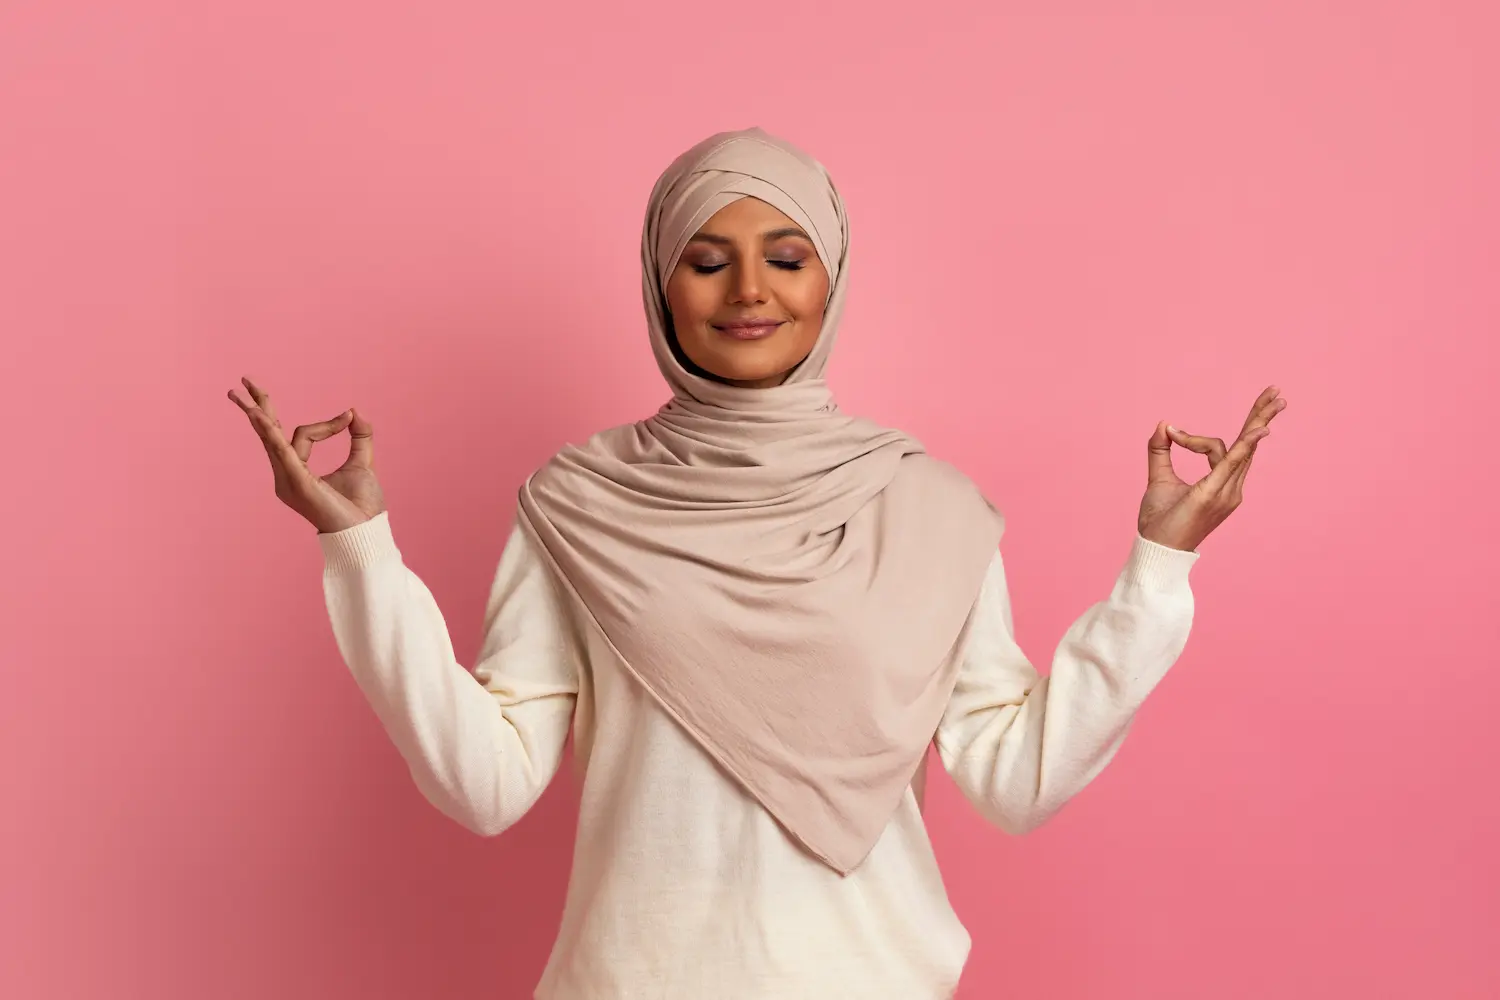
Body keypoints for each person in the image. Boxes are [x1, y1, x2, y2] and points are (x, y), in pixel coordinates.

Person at [229, 127, 1285, 999]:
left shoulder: (928, 509)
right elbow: (486, 781)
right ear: (660, 280)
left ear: (832, 279)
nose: (748, 290)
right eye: (705, 256)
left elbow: (1015, 778)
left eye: (786, 257)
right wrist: (358, 549)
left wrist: (1159, 566)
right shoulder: (579, 502)